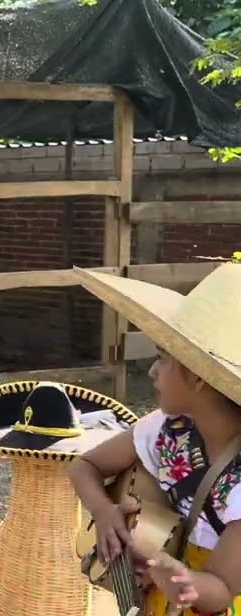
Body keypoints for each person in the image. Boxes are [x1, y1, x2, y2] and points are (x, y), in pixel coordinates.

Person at [68, 264, 241, 616]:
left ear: (197, 377)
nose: (152, 371)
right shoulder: (166, 430)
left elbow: (221, 589)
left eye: (162, 359)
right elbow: (85, 466)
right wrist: (104, 511)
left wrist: (183, 581)